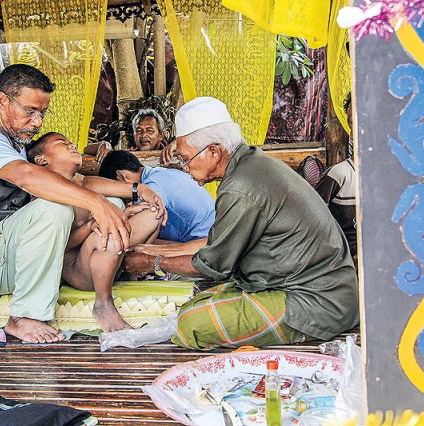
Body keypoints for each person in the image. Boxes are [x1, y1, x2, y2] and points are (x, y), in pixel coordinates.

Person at [0, 64, 165, 343]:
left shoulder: (17, 143)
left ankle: (101, 277)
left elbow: (78, 182)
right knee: (55, 206)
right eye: (30, 111)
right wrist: (97, 207)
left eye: (42, 113)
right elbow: (27, 177)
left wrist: (134, 190)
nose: (38, 122)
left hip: (17, 257)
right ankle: (23, 316)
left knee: (106, 202)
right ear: (2, 101)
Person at [123, 97, 359, 350]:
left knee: (191, 323)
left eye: (186, 159)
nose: (185, 167)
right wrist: (155, 251)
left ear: (213, 152)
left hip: (314, 302)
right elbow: (217, 243)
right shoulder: (251, 165)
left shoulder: (240, 188)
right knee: (194, 303)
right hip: (313, 288)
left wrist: (151, 262)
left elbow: (212, 265)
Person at [26, 132, 163, 331]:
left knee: (153, 212)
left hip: (108, 255)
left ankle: (130, 275)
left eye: (70, 141)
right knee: (109, 235)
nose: (72, 145)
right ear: (41, 159)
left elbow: (92, 185)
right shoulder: (42, 193)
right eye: (61, 143)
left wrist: (135, 199)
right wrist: (91, 226)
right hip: (79, 269)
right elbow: (57, 246)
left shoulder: (80, 182)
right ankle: (103, 304)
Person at [98, 150, 215, 245]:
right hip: (216, 232)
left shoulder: (149, 190)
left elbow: (129, 238)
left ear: (121, 176)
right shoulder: (163, 173)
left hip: (206, 245)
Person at [315, 94, 357, 264]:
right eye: (351, 124)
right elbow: (313, 224)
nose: (354, 134)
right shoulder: (339, 176)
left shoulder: (399, 177)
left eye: (361, 122)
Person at [85, 109, 168, 163]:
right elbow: (86, 149)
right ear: (134, 135)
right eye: (139, 131)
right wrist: (104, 145)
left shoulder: (171, 154)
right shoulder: (127, 155)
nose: (143, 135)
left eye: (150, 131)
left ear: (161, 135)